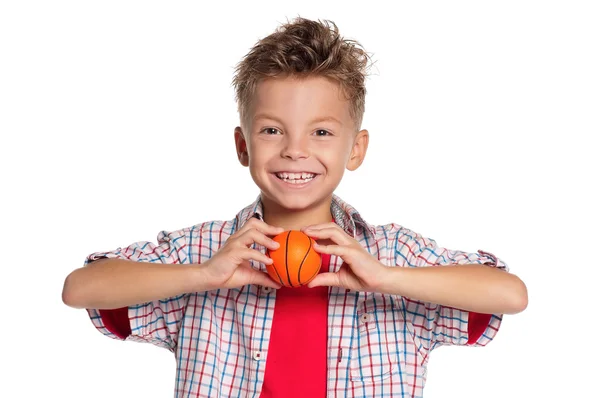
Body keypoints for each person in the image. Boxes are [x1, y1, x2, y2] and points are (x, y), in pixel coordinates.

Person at [62, 16, 528, 398]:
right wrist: (201, 275)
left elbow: (510, 294)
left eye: (321, 132)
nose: (295, 150)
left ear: (356, 149)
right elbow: (80, 288)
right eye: (272, 130)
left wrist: (387, 277)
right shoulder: (206, 250)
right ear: (243, 146)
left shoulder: (390, 253)